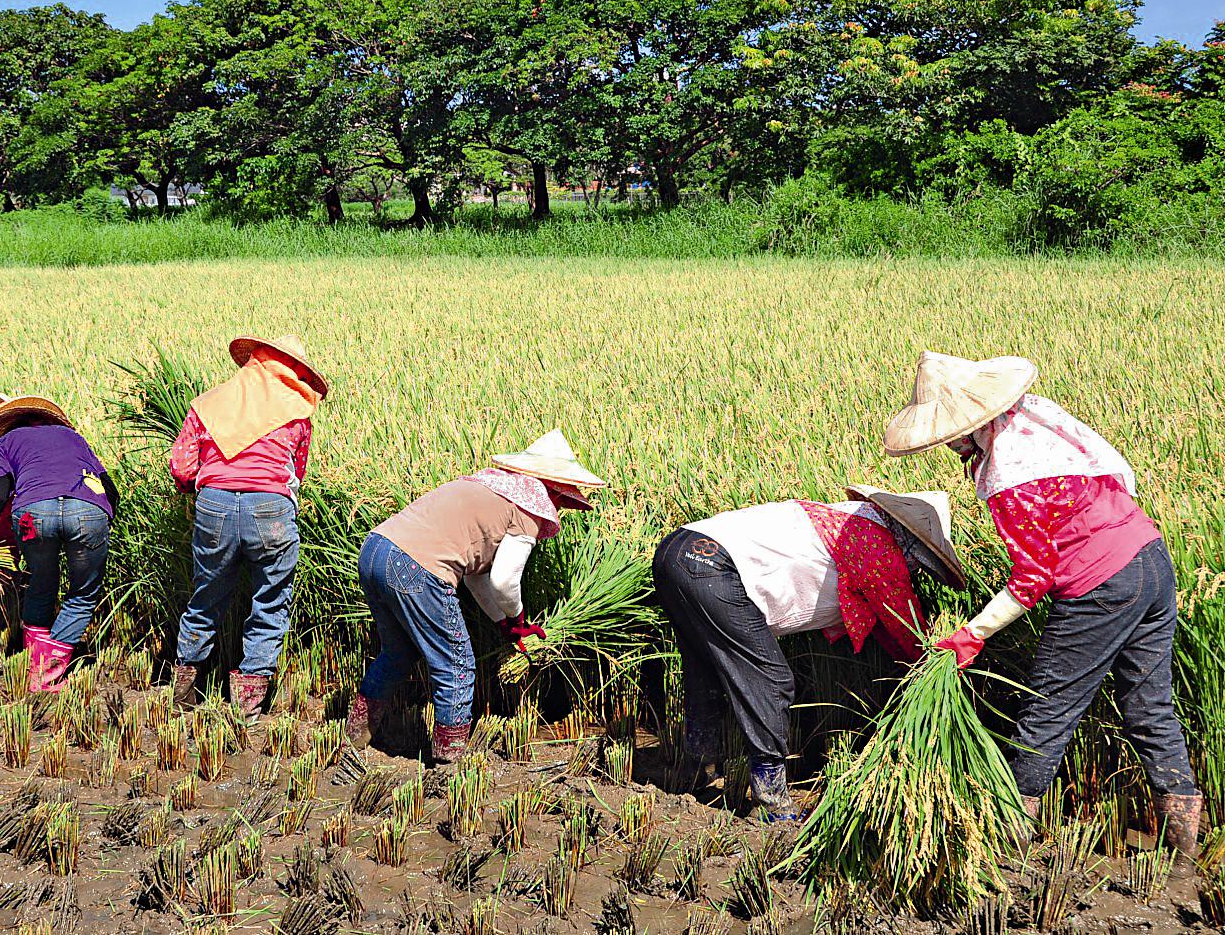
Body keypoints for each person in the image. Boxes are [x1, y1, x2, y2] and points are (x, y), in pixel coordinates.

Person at [885, 350, 1203, 854]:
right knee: (1149, 704)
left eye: (950, 435)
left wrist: (973, 634)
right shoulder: (1038, 423)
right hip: (1151, 559)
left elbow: (1034, 576)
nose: (950, 445)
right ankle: (1183, 848)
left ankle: (1009, 841)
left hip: (1100, 585)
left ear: (972, 424)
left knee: (1048, 708)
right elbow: (1115, 479)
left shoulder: (1009, 475)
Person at [652, 485, 964, 819]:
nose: (916, 568)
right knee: (773, 680)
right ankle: (771, 801)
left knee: (706, 672)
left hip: (677, 551)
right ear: (912, 539)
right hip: (713, 566)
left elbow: (883, 623)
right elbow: (904, 627)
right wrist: (938, 663)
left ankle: (695, 771)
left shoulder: (852, 522)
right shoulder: (877, 546)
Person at [346, 430, 603, 763]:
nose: (557, 509)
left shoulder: (491, 488)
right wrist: (518, 619)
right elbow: (504, 581)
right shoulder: (527, 507)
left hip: (375, 551)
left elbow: (476, 575)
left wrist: (501, 622)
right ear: (551, 490)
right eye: (560, 501)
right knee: (456, 665)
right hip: (416, 569)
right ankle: (447, 763)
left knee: (398, 653)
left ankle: (353, 739)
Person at [168, 334, 328, 715]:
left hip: (214, 505)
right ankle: (248, 705)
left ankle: (183, 688)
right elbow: (297, 473)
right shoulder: (297, 413)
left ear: (253, 362)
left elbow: (182, 466)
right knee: (270, 600)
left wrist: (199, 488)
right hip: (271, 508)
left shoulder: (209, 403)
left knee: (206, 597)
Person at [0, 395, 118, 693]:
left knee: (40, 586)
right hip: (88, 510)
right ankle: (49, 673)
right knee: (82, 594)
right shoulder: (73, 437)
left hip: (33, 514)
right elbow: (109, 489)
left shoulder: (3, 444)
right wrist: (100, 522)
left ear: (4, 426)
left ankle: (38, 670)